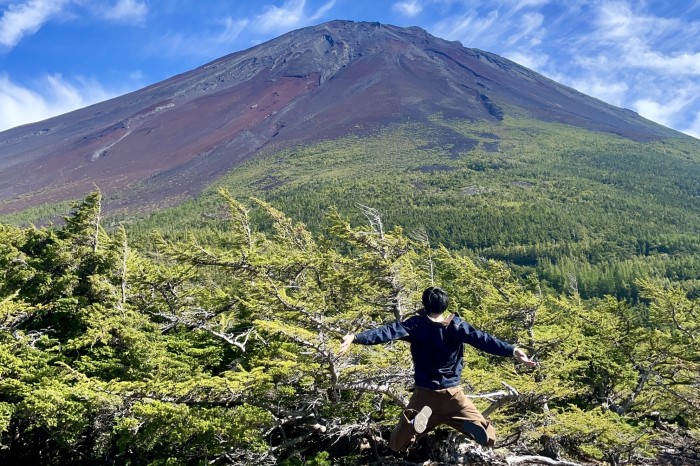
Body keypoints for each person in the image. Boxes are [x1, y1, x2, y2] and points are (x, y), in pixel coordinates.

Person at [339, 286, 537, 452]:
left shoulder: (416, 325)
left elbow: (386, 332)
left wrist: (356, 338)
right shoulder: (457, 326)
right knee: (488, 437)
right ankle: (469, 425)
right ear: (446, 305)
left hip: (425, 394)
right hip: (453, 395)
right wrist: (513, 350)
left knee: (397, 444)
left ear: (424, 305)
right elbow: (485, 340)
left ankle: (416, 426)